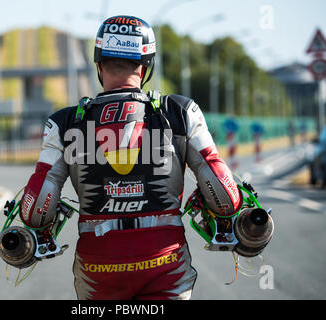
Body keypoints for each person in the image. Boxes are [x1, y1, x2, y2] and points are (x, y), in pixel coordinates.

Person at [18, 15, 242, 300]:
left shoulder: (63, 122)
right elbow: (224, 196)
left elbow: (35, 209)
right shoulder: (181, 112)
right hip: (164, 263)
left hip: (98, 267)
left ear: (99, 64)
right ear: (146, 65)